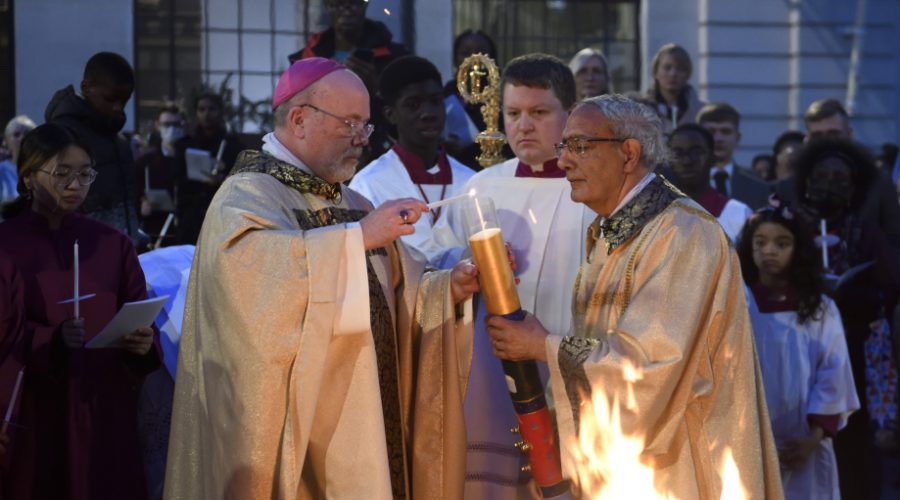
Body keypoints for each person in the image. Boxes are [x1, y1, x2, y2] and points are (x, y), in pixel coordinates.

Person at [164, 57, 481, 499]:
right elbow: (252, 290)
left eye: (367, 126)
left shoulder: (350, 198)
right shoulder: (246, 196)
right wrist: (357, 238)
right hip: (301, 425)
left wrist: (449, 288)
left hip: (366, 412)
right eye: (351, 123)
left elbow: (401, 286)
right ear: (298, 119)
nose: (362, 139)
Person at [486, 94, 782, 498]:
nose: (564, 162)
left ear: (628, 153)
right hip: (622, 467)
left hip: (676, 466)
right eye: (564, 147)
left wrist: (544, 347)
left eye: (580, 146)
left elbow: (650, 368)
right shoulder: (610, 233)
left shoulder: (684, 234)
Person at [432, 53, 595, 499]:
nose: (524, 125)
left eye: (539, 113)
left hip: (571, 368)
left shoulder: (592, 191)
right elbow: (435, 265)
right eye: (513, 114)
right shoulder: (481, 189)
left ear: (570, 114)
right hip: (496, 372)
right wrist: (463, 266)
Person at [0, 123, 161, 500]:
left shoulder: (113, 245)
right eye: (62, 173)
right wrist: (50, 338)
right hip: (36, 412)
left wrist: (141, 344)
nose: (76, 185)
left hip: (103, 408)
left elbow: (137, 312)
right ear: (28, 177)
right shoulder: (6, 245)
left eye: (85, 173)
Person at [790, 137, 900, 500]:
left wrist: (853, 296)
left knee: (852, 441)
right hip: (796, 348)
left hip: (851, 348)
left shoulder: (864, 230)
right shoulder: (789, 224)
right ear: (806, 180)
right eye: (822, 177)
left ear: (854, 189)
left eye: (840, 180)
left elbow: (889, 288)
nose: (829, 186)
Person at [737, 202, 859, 499]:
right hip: (750, 441)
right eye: (760, 242)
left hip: (805, 442)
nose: (769, 251)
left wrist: (813, 437)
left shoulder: (820, 309)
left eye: (782, 243)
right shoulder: (739, 304)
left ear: (798, 249)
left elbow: (834, 372)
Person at [350, 56, 476, 263]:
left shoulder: (470, 181)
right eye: (413, 105)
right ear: (391, 114)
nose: (428, 114)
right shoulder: (368, 185)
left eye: (435, 102)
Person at [289, 0, 409, 164]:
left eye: (354, 3)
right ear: (327, 7)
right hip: (322, 157)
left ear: (365, 5)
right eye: (338, 3)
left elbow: (407, 115)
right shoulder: (307, 60)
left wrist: (376, 90)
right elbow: (292, 114)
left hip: (378, 156)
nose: (347, 10)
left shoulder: (394, 57)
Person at [45, 51, 143, 244]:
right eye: (110, 98)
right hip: (82, 260)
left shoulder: (118, 141)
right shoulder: (62, 137)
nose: (118, 107)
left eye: (124, 101)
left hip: (122, 255)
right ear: (86, 87)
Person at [777, 99, 900, 250]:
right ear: (807, 139)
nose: (826, 142)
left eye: (833, 134)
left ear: (849, 134)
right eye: (817, 135)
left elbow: (894, 240)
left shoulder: (879, 182)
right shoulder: (788, 187)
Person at [173, 92, 241, 245]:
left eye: (212, 109)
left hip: (222, 218)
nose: (206, 114)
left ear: (220, 112)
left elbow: (242, 183)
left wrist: (222, 180)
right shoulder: (184, 145)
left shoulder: (233, 146)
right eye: (201, 109)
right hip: (191, 218)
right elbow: (178, 180)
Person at [667, 123, 751, 241]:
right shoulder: (656, 215)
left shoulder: (739, 213)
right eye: (678, 153)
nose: (687, 161)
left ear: (712, 158)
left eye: (696, 152)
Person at [443, 29, 499, 169]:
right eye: (466, 53)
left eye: (481, 53)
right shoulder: (445, 94)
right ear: (456, 59)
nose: (474, 58)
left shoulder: (501, 95)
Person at [697, 102, 770, 209]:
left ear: (738, 137)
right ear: (698, 137)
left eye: (726, 132)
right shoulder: (681, 184)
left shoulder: (758, 188)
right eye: (711, 132)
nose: (718, 138)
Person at [134, 104, 184, 245]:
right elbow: (132, 198)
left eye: (176, 124)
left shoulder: (192, 160)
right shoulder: (144, 163)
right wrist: (141, 208)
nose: (172, 129)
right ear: (158, 125)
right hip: (156, 234)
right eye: (167, 124)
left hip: (187, 234)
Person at [644, 43, 706, 134]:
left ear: (688, 74)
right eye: (667, 68)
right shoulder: (640, 110)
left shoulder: (701, 111)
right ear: (656, 72)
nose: (673, 74)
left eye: (680, 69)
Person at [0, 115, 36, 206]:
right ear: (5, 141)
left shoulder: (44, 170)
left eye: (27, 133)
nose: (22, 138)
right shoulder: (2, 171)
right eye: (16, 134)